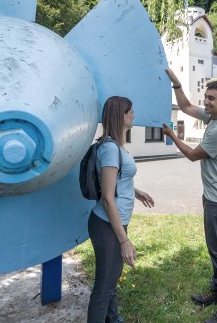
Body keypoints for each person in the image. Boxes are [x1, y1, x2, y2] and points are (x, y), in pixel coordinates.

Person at [162, 69, 217, 323]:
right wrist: (177, 84)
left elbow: (193, 155)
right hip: (215, 195)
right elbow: (185, 106)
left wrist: (173, 135)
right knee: (215, 248)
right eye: (206, 97)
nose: (206, 102)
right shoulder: (211, 117)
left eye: (212, 99)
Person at [87, 96, 155, 323]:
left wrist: (137, 191)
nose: (134, 115)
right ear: (120, 116)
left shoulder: (117, 146)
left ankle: (113, 318)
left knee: (111, 278)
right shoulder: (109, 149)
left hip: (115, 221)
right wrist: (124, 240)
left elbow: (116, 181)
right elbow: (107, 197)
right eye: (130, 112)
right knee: (104, 286)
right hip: (106, 223)